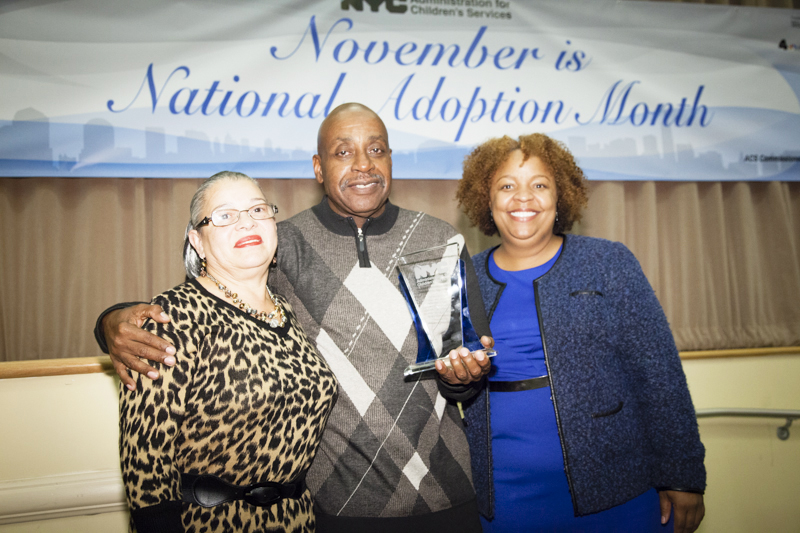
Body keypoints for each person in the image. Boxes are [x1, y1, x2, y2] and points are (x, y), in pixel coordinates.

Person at [96, 104, 494, 533]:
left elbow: (467, 366)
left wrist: (463, 375)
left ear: (391, 159)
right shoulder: (278, 245)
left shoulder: (441, 239)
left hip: (447, 492)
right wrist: (110, 322)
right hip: (335, 507)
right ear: (318, 168)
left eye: (376, 149)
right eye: (343, 153)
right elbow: (209, 297)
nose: (363, 165)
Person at [456, 133, 706, 533]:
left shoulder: (608, 262)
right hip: (505, 500)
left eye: (540, 185)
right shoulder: (464, 280)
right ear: (487, 199)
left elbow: (659, 375)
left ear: (561, 197)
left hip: (617, 491)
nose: (524, 198)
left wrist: (682, 475)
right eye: (507, 186)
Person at [119, 171, 338, 533]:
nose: (246, 222)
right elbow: (145, 461)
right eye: (225, 215)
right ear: (197, 241)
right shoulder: (172, 316)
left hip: (298, 522)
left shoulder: (285, 310)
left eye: (257, 209)